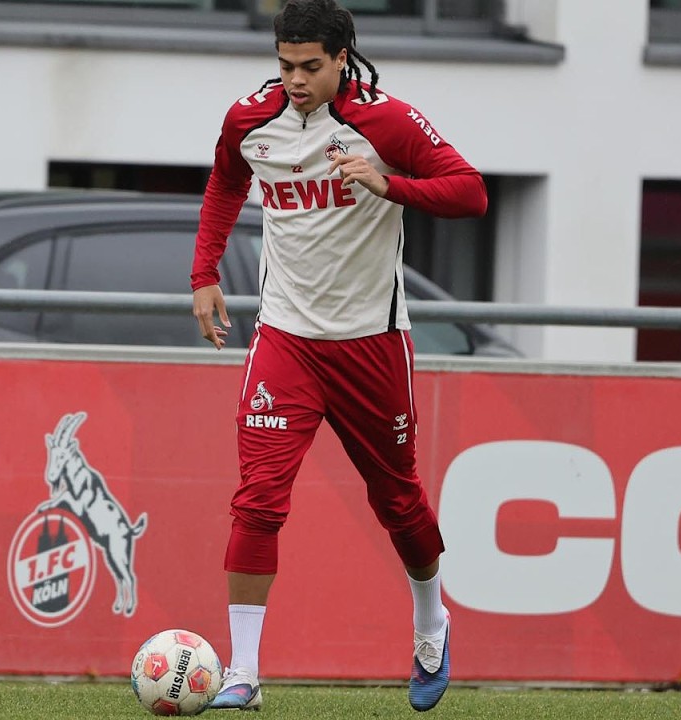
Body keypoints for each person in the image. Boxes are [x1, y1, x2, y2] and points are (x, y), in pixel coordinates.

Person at [190, 0, 487, 710]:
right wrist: (204, 273)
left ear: (342, 58)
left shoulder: (384, 121)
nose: (294, 79)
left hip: (371, 342)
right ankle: (244, 672)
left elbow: (471, 193)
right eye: (285, 64)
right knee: (257, 502)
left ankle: (430, 623)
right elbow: (227, 180)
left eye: (310, 66)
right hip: (286, 338)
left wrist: (392, 186)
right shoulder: (249, 118)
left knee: (398, 499)